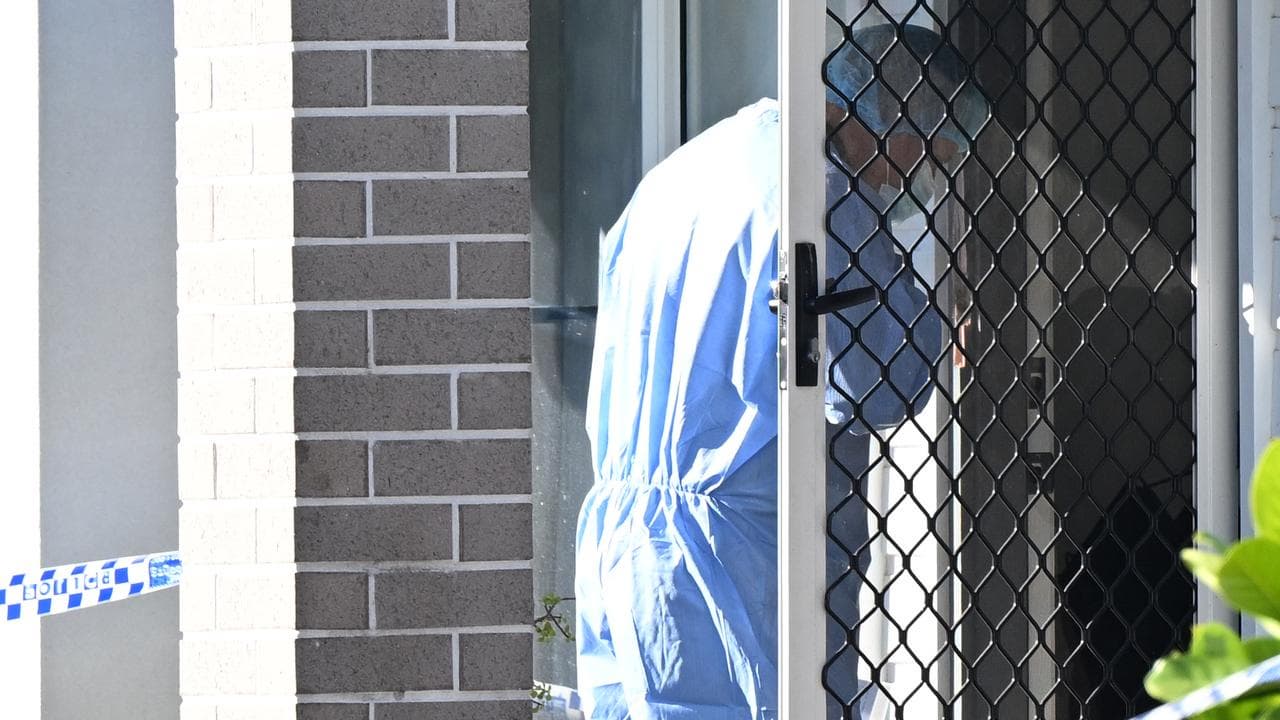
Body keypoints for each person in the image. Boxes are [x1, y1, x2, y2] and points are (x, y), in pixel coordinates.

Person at [574, 23, 988, 720]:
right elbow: (877, 380)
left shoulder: (686, 171)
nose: (904, 180)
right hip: (741, 561)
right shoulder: (815, 192)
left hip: (626, 548)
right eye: (922, 156)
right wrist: (937, 327)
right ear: (897, 117)